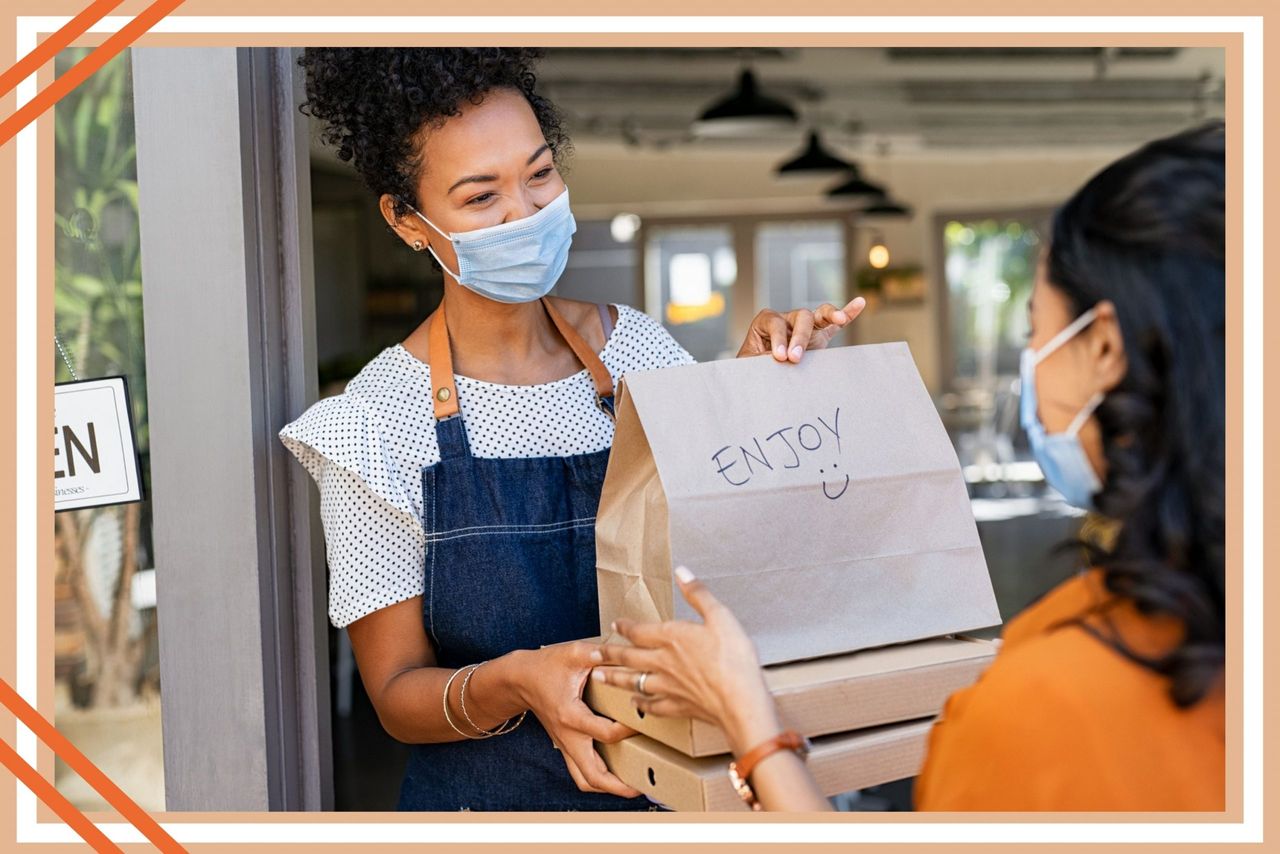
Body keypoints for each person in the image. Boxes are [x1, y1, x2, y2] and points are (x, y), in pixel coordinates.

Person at [278, 48, 864, 812]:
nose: (524, 214)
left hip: (677, 805)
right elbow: (394, 694)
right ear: (406, 221)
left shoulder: (641, 354)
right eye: (481, 196)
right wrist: (516, 680)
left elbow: (727, 538)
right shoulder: (374, 426)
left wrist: (752, 391)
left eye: (540, 175)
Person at [594, 121, 1226, 811]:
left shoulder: (1044, 709)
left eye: (1033, 332)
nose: (1031, 359)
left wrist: (748, 721)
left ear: (1102, 348)